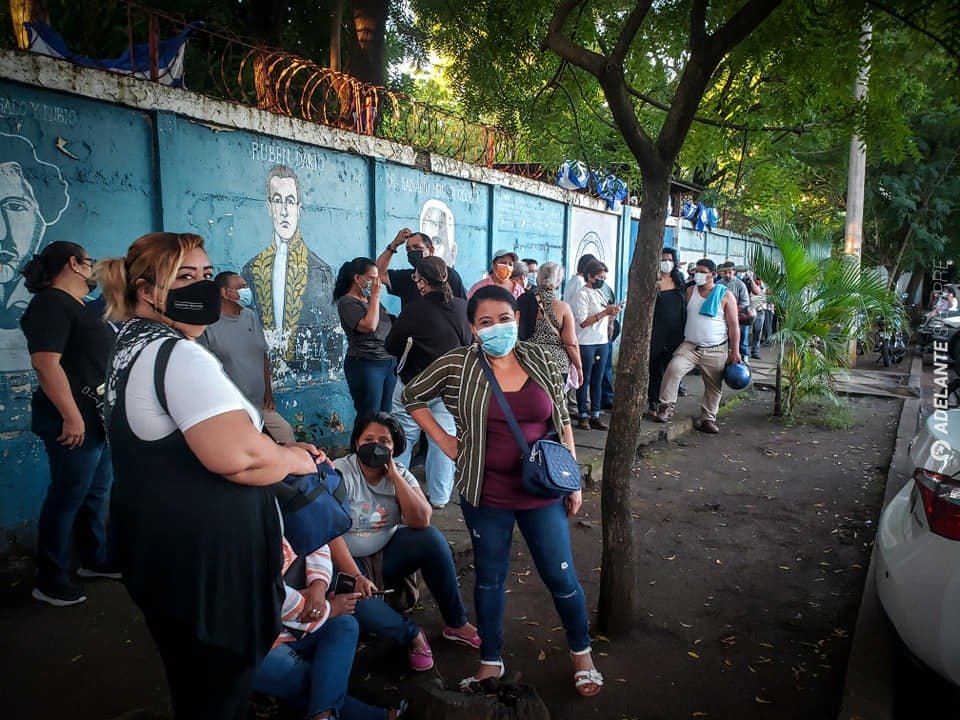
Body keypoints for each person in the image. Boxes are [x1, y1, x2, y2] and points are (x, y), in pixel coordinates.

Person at [98, 231, 322, 720]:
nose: (201, 286)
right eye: (183, 277)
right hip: (205, 566)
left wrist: (274, 447)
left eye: (204, 275)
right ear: (147, 292)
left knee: (197, 685)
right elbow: (239, 457)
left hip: (161, 552)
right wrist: (293, 460)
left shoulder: (129, 347)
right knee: (219, 692)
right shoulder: (177, 355)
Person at [402, 285, 603, 696]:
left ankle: (581, 654)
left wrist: (573, 476)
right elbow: (412, 396)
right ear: (474, 329)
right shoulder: (458, 365)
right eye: (486, 322)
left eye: (504, 319)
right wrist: (447, 443)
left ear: (518, 319)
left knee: (560, 575)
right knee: (490, 579)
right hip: (486, 491)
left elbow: (562, 416)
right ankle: (490, 661)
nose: (497, 328)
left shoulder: (540, 357)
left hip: (541, 489)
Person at [331, 412, 480, 672]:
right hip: (345, 560)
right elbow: (329, 532)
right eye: (368, 439)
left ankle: (456, 623)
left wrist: (396, 479)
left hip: (386, 554)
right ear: (356, 443)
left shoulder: (400, 473)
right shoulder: (340, 472)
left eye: (384, 441)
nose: (375, 445)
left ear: (394, 448)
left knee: (432, 539)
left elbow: (421, 519)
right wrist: (355, 576)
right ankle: (412, 634)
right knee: (357, 607)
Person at [19, 241, 116, 607]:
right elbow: (46, 362)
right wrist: (71, 415)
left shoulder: (79, 307)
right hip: (71, 421)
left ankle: (94, 560)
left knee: (94, 493)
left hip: (97, 420)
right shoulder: (50, 303)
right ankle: (50, 578)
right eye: (89, 262)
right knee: (68, 496)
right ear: (74, 264)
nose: (92, 269)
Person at [252, 537, 405, 720]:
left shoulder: (276, 512)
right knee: (315, 683)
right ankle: (378, 716)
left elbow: (317, 538)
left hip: (295, 622)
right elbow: (263, 599)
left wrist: (318, 586)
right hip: (253, 641)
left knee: (344, 626)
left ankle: (324, 715)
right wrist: (327, 609)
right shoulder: (231, 535)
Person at [384, 257, 472, 508]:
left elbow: (391, 345)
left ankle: (398, 493)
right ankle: (440, 497)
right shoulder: (463, 308)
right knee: (443, 439)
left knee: (402, 438)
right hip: (450, 388)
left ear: (422, 282)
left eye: (416, 279)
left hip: (414, 386)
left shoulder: (414, 310)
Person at [241, 164, 341, 374]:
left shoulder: (320, 269)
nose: (284, 211)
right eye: (277, 201)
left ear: (299, 208)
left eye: (290, 201)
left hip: (309, 377)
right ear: (269, 207)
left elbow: (333, 339)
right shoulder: (252, 269)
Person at [199, 271, 295, 444]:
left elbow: (262, 354)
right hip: (230, 409)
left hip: (259, 404)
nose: (247, 291)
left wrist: (268, 392)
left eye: (246, 286)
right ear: (224, 293)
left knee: (285, 434)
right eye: (242, 287)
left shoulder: (249, 316)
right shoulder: (207, 325)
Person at [653, 258, 741, 434]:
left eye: (702, 271)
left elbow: (733, 325)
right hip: (690, 346)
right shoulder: (690, 291)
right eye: (696, 271)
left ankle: (708, 418)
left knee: (714, 385)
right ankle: (666, 406)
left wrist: (735, 351)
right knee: (673, 370)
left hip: (716, 348)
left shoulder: (725, 295)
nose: (697, 275)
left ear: (713, 275)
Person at [334, 258, 396, 416]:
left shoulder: (370, 301)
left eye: (377, 279)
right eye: (371, 279)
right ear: (357, 278)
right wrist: (375, 297)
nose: (376, 284)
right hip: (366, 363)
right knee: (369, 415)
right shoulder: (347, 302)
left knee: (385, 415)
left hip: (387, 361)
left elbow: (387, 320)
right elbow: (369, 326)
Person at [572, 260, 621, 430]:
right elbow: (583, 321)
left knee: (598, 379)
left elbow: (606, 312)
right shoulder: (582, 294)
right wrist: (604, 313)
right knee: (584, 378)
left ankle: (596, 414)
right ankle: (583, 414)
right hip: (586, 342)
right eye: (599, 277)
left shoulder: (601, 293)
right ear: (590, 276)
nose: (602, 280)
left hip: (602, 341)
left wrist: (612, 313)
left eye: (604, 277)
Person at [517, 261, 582, 385]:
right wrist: (578, 367)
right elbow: (571, 343)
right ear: (557, 282)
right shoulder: (563, 308)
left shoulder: (523, 301)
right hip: (555, 365)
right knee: (554, 403)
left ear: (538, 278)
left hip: (528, 361)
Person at [376, 228, 466, 308]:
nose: (412, 252)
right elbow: (378, 273)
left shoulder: (450, 275)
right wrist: (393, 245)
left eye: (417, 247)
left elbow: (463, 310)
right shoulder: (407, 277)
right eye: (408, 250)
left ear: (431, 250)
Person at [648, 248, 686, 415]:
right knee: (655, 369)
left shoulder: (679, 280)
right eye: (663, 259)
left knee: (672, 369)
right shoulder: (653, 281)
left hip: (676, 332)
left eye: (669, 259)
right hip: (657, 332)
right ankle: (653, 402)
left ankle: (667, 403)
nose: (666, 263)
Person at [717, 262, 753, 362]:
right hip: (722, 316)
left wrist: (734, 310)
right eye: (725, 272)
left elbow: (745, 302)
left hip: (737, 316)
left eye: (730, 272)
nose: (727, 274)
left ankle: (744, 357)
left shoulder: (740, 285)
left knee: (742, 337)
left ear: (734, 272)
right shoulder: (719, 284)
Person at [747, 273, 767, 360]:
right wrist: (751, 280)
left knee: (757, 332)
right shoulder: (749, 284)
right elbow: (755, 291)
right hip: (749, 311)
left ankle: (755, 351)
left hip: (760, 311)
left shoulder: (765, 286)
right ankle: (743, 352)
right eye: (757, 278)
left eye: (760, 279)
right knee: (746, 332)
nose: (758, 280)